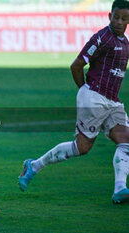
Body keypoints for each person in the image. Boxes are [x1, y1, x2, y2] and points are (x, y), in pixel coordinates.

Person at [18, 0, 129, 204]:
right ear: (109, 16)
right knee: (82, 147)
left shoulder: (124, 42)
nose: (119, 22)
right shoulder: (102, 38)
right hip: (94, 97)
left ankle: (120, 189)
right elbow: (76, 65)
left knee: (126, 141)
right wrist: (86, 91)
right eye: (116, 17)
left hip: (113, 101)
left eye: (124, 18)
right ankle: (34, 166)